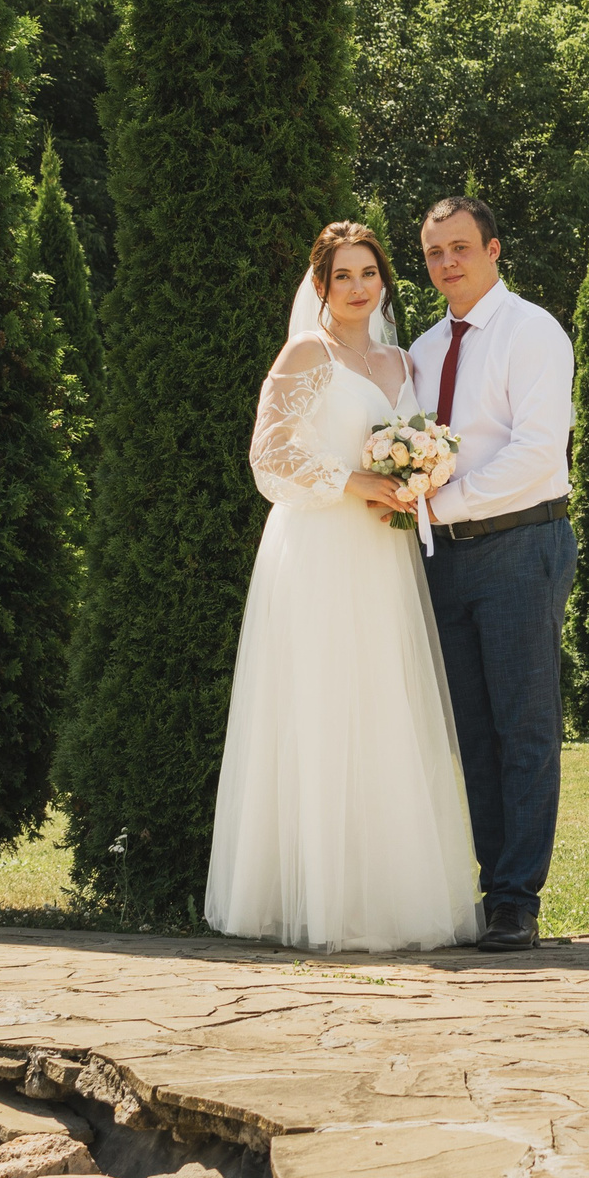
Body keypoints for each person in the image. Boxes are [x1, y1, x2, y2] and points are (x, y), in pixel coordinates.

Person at [201, 222, 481, 952]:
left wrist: (417, 474)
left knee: (382, 706)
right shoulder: (306, 354)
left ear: (384, 280)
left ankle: (382, 898)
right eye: (343, 275)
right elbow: (267, 458)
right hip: (321, 546)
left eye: (369, 272)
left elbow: (419, 438)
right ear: (319, 285)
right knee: (325, 707)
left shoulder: (399, 360)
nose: (358, 287)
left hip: (382, 555)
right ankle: (320, 900)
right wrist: (354, 480)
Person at [407, 196, 576, 953]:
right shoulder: (421, 349)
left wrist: (448, 505)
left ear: (494, 249)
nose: (448, 262)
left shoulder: (532, 332)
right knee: (471, 732)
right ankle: (487, 885)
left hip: (520, 547)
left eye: (461, 247)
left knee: (524, 727)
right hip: (444, 558)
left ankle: (516, 899)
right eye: (434, 251)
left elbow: (539, 453)